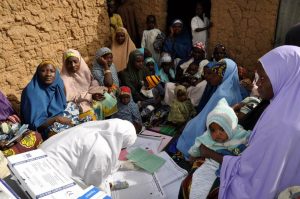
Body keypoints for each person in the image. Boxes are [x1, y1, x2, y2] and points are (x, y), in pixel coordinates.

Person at [196, 46, 300, 198]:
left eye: (263, 78)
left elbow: (249, 171)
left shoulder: (280, 122)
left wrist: (209, 153)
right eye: (257, 77)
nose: (257, 84)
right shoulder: (285, 110)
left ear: (284, 77)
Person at [40, 119, 137, 194]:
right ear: (121, 140)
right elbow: (95, 183)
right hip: (49, 174)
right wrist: (108, 188)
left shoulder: (93, 129)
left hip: (41, 155)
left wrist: (120, 164)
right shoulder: (102, 151)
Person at [177, 58, 242, 158]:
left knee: (189, 129)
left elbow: (210, 118)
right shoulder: (232, 89)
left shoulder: (223, 93)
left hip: (212, 127)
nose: (210, 77)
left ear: (223, 76)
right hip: (220, 127)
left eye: (215, 75)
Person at [187, 98, 250, 199]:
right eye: (212, 130)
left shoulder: (240, 134)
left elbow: (250, 138)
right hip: (212, 165)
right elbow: (197, 144)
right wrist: (192, 155)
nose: (217, 134)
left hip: (232, 166)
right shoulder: (207, 137)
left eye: (222, 129)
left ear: (231, 126)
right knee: (198, 184)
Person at [20, 60, 73, 140]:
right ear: (38, 73)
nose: (48, 74)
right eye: (43, 71)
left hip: (59, 119)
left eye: (52, 71)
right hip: (41, 131)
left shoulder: (58, 84)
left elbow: (63, 106)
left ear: (56, 73)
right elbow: (35, 126)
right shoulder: (32, 92)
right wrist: (56, 119)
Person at [0, 91, 42, 157]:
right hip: (3, 144)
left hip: (12, 136)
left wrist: (18, 134)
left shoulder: (3, 100)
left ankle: (12, 153)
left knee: (36, 136)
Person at [61, 49, 100, 114]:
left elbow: (92, 83)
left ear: (80, 61)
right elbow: (70, 98)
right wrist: (90, 96)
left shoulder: (85, 72)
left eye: (75, 62)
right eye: (69, 63)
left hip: (91, 99)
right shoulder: (63, 79)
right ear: (65, 64)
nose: (73, 65)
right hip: (76, 107)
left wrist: (95, 92)